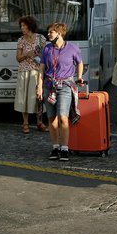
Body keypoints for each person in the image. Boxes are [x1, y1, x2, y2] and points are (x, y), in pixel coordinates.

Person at [36, 22, 83, 162]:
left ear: (59, 33)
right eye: (48, 32)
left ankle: (65, 148)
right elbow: (41, 68)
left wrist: (79, 77)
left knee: (63, 117)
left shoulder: (72, 48)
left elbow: (79, 62)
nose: (48, 34)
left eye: (51, 32)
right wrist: (39, 86)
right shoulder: (47, 49)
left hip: (65, 85)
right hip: (49, 86)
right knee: (51, 118)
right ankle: (55, 147)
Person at [14, 15, 47, 134]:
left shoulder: (41, 39)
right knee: (24, 97)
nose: (22, 28)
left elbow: (46, 54)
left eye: (24, 25)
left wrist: (39, 56)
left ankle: (39, 122)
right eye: (21, 26)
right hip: (24, 71)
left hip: (37, 71)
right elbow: (18, 58)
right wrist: (27, 54)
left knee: (38, 97)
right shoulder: (21, 40)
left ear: (30, 26)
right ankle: (25, 123)